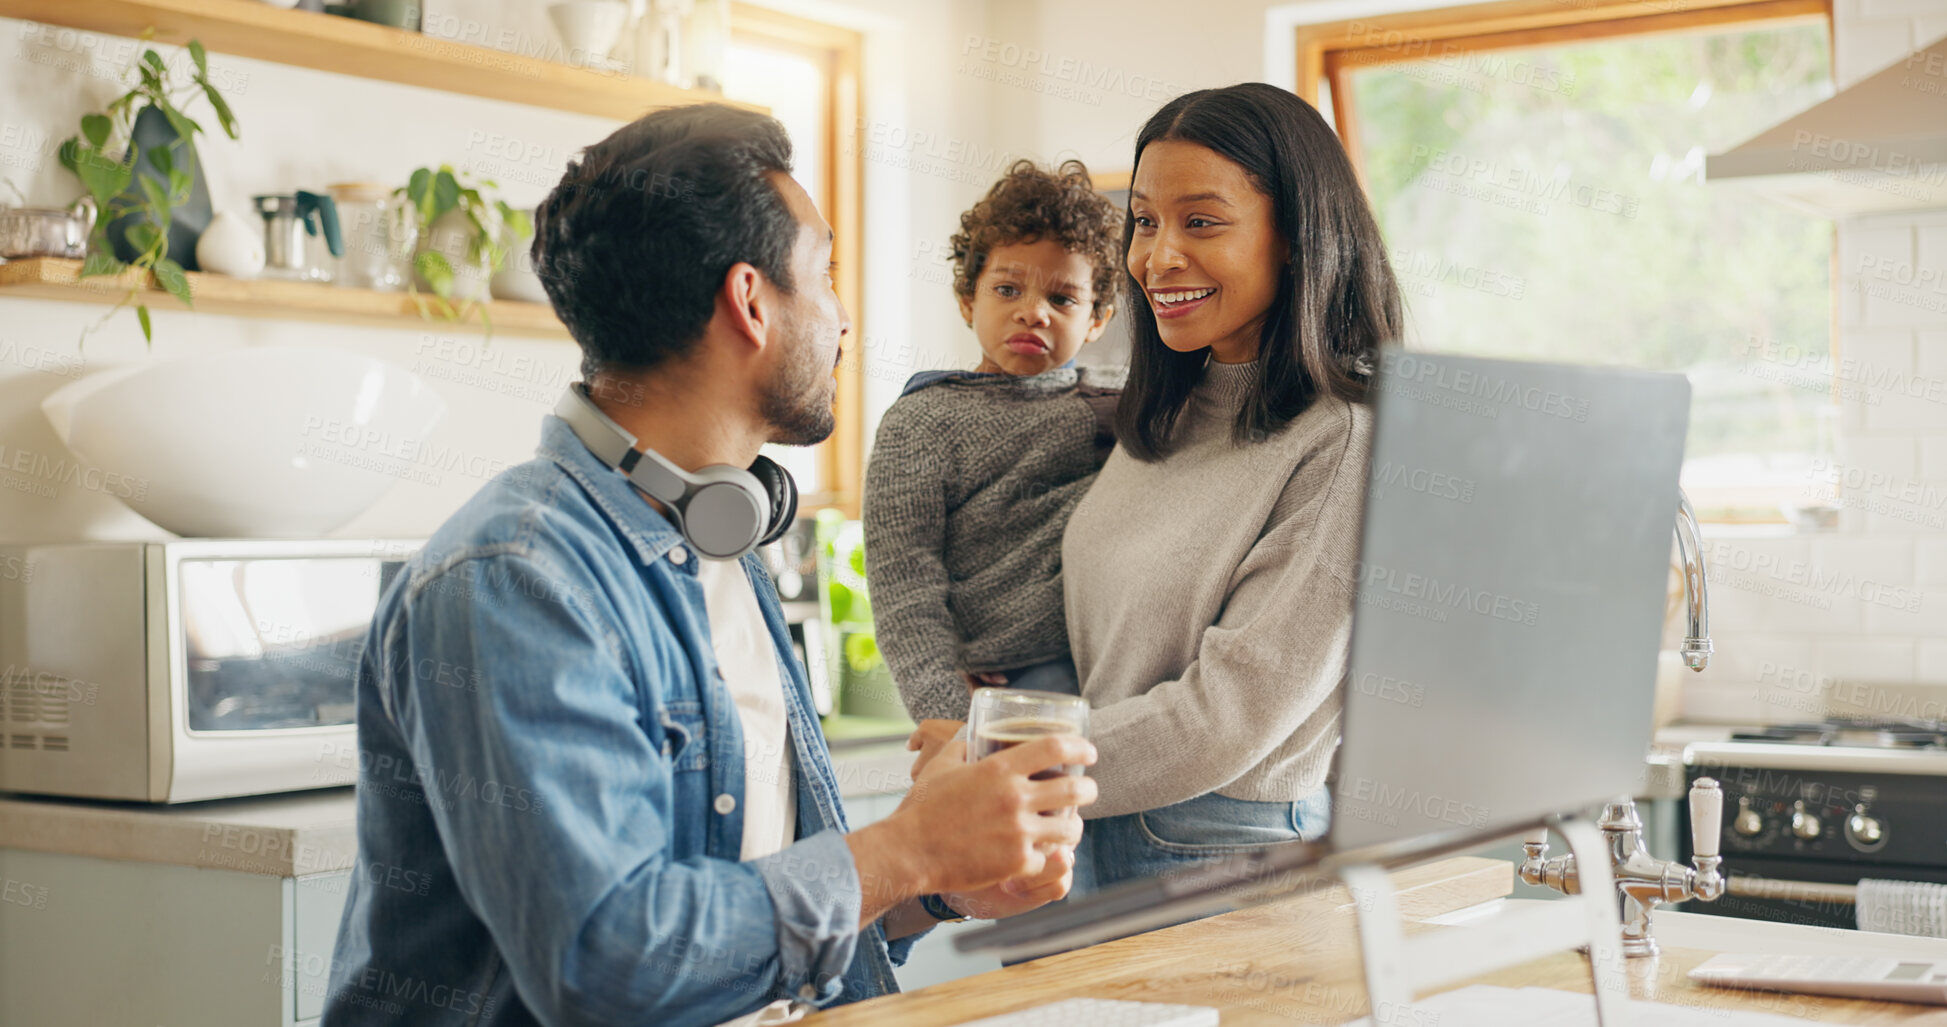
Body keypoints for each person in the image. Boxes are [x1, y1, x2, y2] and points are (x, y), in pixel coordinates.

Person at [322, 104, 1097, 1027]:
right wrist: (906, 851)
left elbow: (741, 915)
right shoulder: (513, 578)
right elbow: (608, 961)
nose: (843, 319)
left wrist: (939, 888)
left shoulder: (715, 537)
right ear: (750, 300)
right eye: (826, 276)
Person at [913, 82, 1402, 899]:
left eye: (1199, 221)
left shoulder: (1343, 436)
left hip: (1223, 854)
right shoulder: (1163, 413)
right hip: (1081, 827)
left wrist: (1002, 759)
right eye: (1143, 221)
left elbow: (1228, 715)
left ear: (1295, 237)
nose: (1156, 256)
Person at [864, 158, 1125, 723]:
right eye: (1007, 288)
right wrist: (946, 717)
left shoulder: (1123, 408)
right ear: (967, 301)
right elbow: (904, 585)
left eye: (1063, 300)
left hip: (1126, 673)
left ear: (1098, 319)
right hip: (1010, 686)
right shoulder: (921, 423)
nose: (1033, 312)